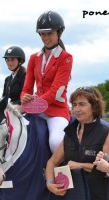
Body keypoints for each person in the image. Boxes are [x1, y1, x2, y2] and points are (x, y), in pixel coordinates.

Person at [45, 87, 109, 200]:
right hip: (70, 195)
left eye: (82, 104)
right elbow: (52, 162)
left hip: (98, 195)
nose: (77, 109)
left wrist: (80, 165)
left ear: (94, 107)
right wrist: (50, 184)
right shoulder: (70, 133)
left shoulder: (107, 133)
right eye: (74, 104)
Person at [20, 10, 73, 153]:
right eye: (42, 34)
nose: (46, 38)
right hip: (35, 109)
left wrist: (31, 105)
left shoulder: (66, 58)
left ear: (58, 32)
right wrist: (24, 98)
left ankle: (60, 172)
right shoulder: (33, 58)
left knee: (55, 142)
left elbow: (56, 91)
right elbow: (26, 89)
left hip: (56, 111)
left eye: (49, 33)